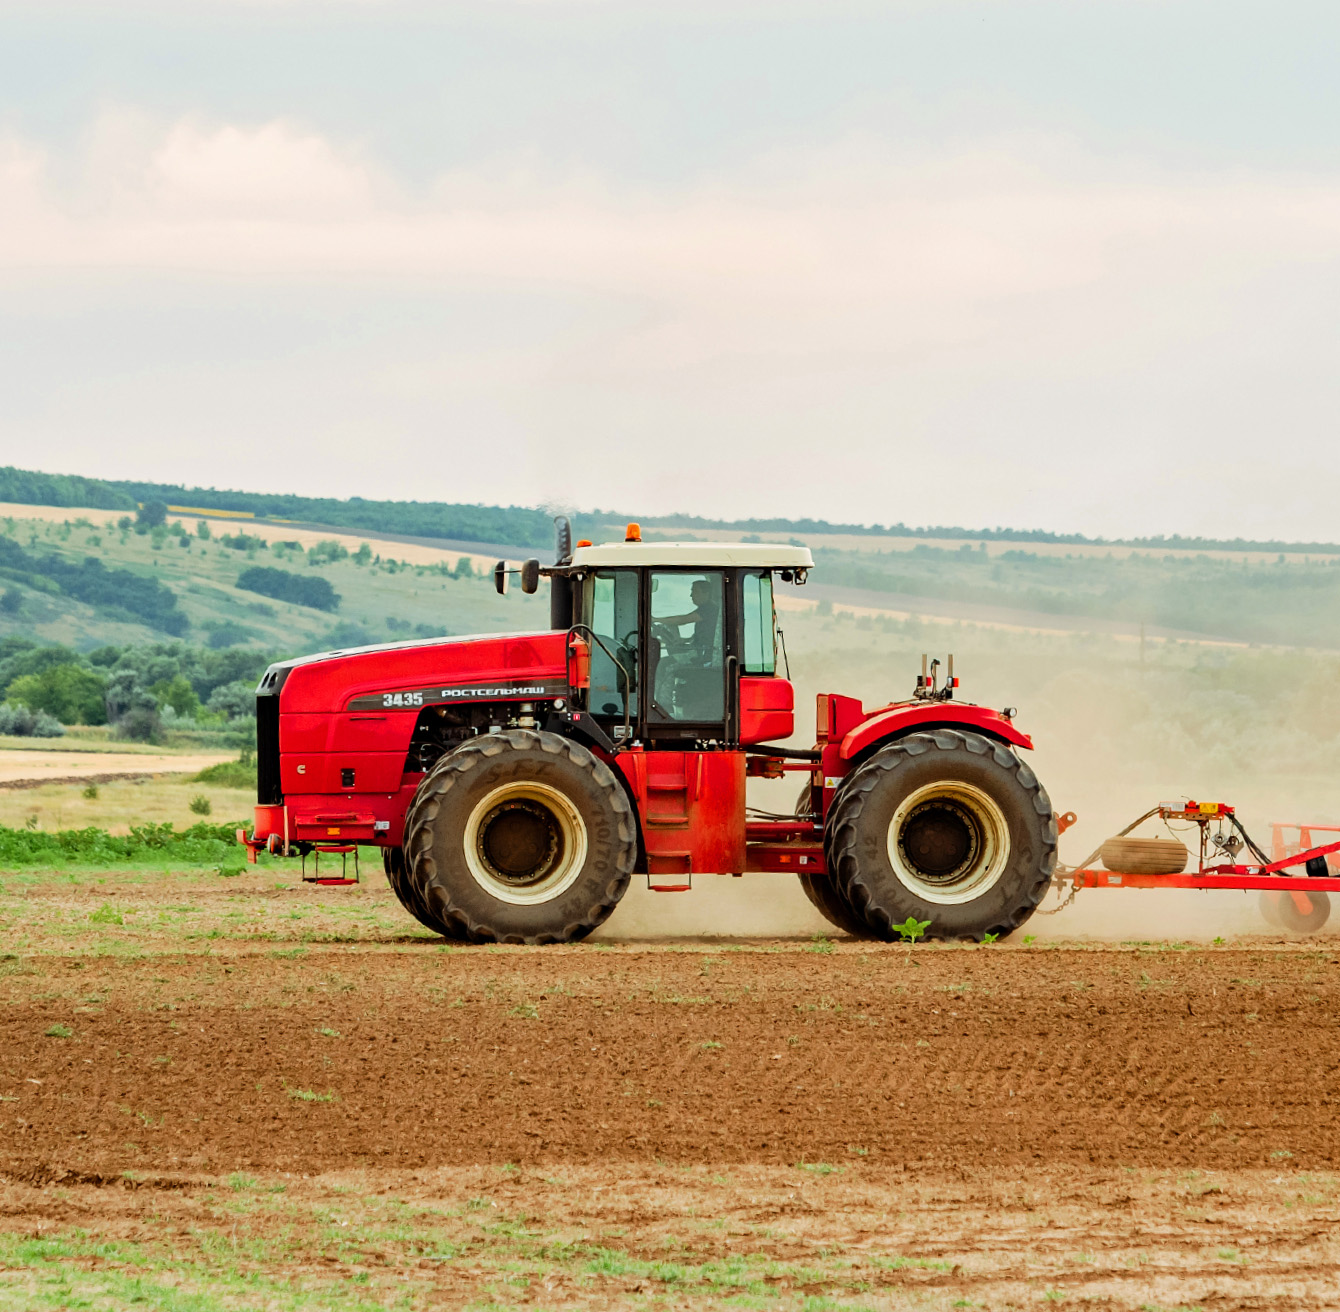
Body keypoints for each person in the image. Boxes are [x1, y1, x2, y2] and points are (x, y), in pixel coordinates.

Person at [659, 579, 719, 663]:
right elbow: (704, 635)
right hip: (698, 650)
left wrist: (655, 619)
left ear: (706, 593)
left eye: (695, 592)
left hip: (702, 654)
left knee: (663, 663)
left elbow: (683, 620)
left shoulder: (709, 609)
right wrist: (685, 640)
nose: (691, 595)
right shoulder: (706, 608)